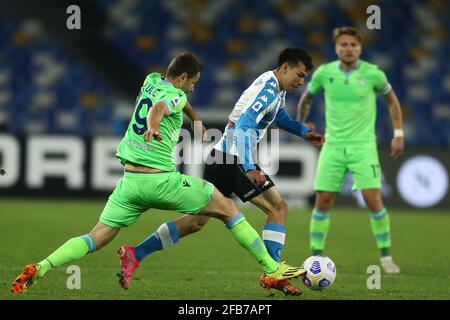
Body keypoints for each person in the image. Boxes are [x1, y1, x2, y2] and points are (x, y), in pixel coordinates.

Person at [11, 52, 306, 294]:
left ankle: (41, 267)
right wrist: (154, 125)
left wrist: (196, 119)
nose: (192, 88)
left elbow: (169, 99)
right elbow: (163, 106)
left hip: (129, 184)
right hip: (160, 180)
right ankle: (271, 269)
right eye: (192, 83)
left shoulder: (151, 80)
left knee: (95, 237)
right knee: (228, 208)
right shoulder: (172, 97)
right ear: (182, 78)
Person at [117, 48, 325, 296]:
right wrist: (250, 167)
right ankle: (273, 273)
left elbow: (277, 116)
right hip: (231, 160)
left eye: (304, 78)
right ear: (285, 68)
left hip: (219, 158)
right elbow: (246, 124)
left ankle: (135, 253)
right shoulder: (268, 89)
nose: (301, 82)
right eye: (299, 75)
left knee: (196, 221)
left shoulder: (274, 88)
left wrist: (303, 131)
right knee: (277, 208)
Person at [296, 27, 403, 273]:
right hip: (332, 145)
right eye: (343, 44)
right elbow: (306, 98)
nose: (348, 48)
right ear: (336, 48)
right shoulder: (324, 73)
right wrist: (301, 126)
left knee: (373, 200)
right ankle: (316, 257)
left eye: (353, 45)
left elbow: (393, 102)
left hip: (363, 146)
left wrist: (398, 134)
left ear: (360, 47)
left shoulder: (373, 74)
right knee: (322, 201)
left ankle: (386, 258)